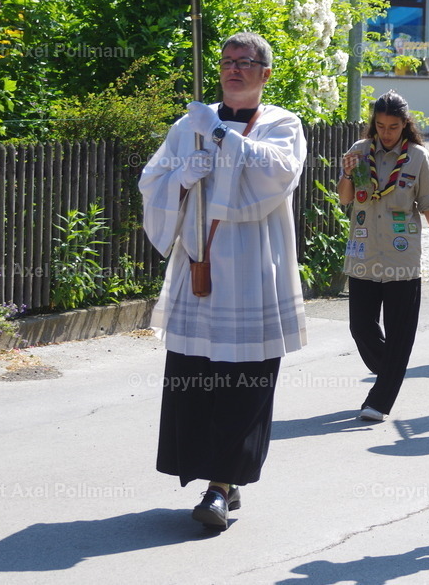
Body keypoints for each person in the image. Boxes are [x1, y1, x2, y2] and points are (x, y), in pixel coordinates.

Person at [139, 32, 307, 530]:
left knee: (243, 380)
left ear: (265, 73)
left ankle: (222, 485)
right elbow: (152, 183)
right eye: (227, 61)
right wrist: (181, 179)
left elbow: (275, 175)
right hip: (200, 265)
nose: (234, 68)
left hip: (253, 266)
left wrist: (220, 135)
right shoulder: (188, 123)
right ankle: (203, 471)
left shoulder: (281, 123)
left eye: (245, 62)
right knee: (196, 374)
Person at [339, 91, 429, 422]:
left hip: (402, 258)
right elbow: (346, 199)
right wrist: (347, 173)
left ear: (405, 124)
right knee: (360, 327)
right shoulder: (359, 153)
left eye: (393, 126)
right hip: (363, 253)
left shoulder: (418, 157)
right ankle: (393, 371)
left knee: (400, 331)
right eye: (380, 126)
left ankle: (380, 399)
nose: (386, 133)